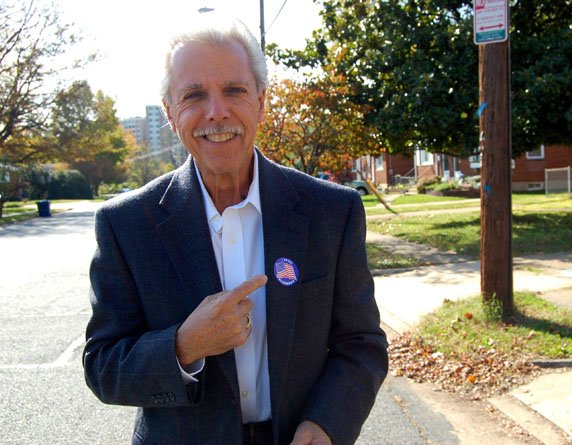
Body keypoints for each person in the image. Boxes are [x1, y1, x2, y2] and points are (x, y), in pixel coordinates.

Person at [83, 19, 388, 445]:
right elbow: (103, 365)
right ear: (170, 112)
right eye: (193, 95)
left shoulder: (332, 212)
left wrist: (326, 423)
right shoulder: (127, 225)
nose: (216, 112)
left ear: (261, 102)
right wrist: (183, 346)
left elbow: (361, 344)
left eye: (234, 90)